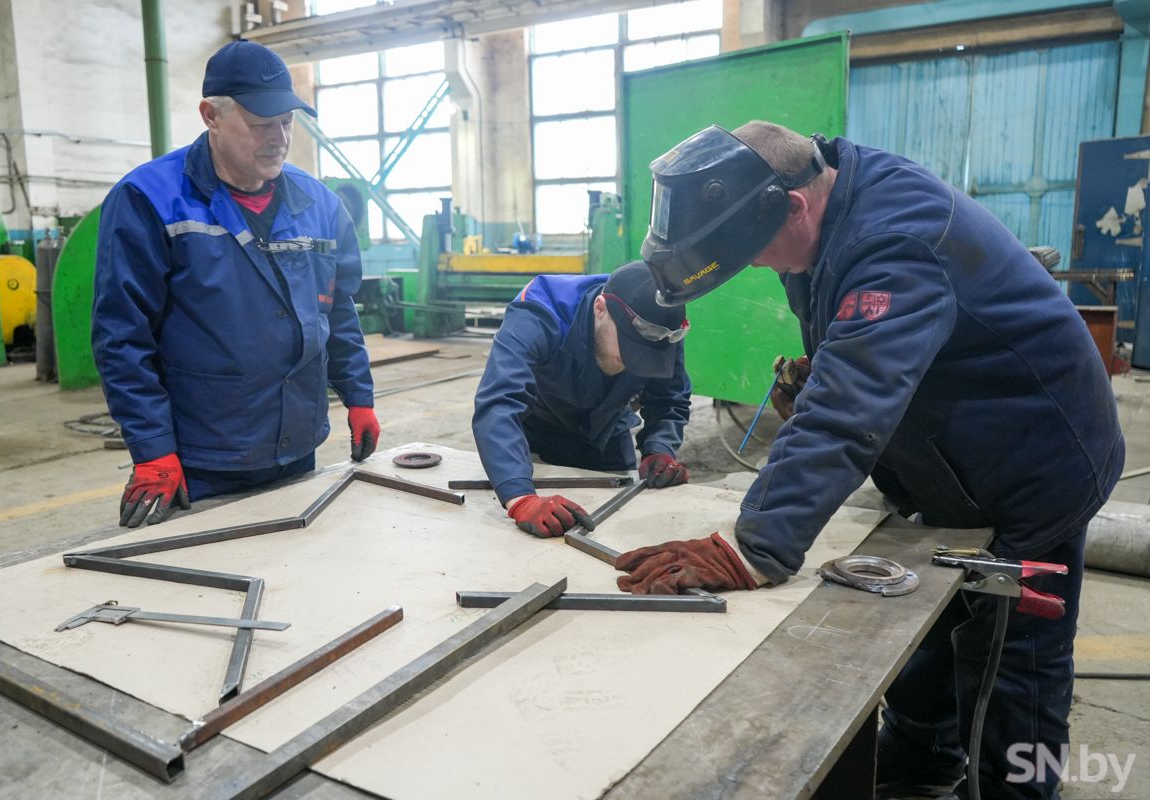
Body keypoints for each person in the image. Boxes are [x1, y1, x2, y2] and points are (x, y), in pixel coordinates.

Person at [622, 120, 1124, 800]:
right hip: (953, 464)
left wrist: (754, 547)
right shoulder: (829, 200)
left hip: (1034, 465)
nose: (760, 265)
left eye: (757, 251)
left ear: (792, 206)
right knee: (931, 629)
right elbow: (857, 352)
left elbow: (849, 404)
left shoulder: (895, 240)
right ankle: (919, 769)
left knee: (1011, 668)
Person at [93, 40, 380, 528]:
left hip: (297, 441)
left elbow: (337, 309)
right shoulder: (148, 199)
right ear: (211, 115)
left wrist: (358, 396)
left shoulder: (320, 205)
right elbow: (121, 336)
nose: (278, 138)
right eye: (260, 123)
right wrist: (152, 447)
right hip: (205, 454)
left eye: (286, 122)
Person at [472, 261, 693, 538]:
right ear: (600, 309)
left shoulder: (662, 327)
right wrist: (519, 496)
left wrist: (659, 448)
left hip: (607, 430)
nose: (630, 364)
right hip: (537, 431)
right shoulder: (540, 310)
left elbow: (669, 398)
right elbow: (499, 402)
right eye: (628, 351)